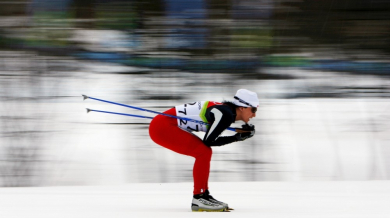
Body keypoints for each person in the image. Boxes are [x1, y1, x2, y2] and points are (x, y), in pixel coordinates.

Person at [148, 89, 259, 212]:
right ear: (242, 107)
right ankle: (199, 197)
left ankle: (204, 195)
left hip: (163, 124)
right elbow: (209, 141)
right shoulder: (226, 114)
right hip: (163, 128)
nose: (254, 114)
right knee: (203, 152)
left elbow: (211, 136)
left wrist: (237, 136)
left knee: (204, 151)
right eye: (253, 110)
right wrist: (236, 138)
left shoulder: (226, 111)